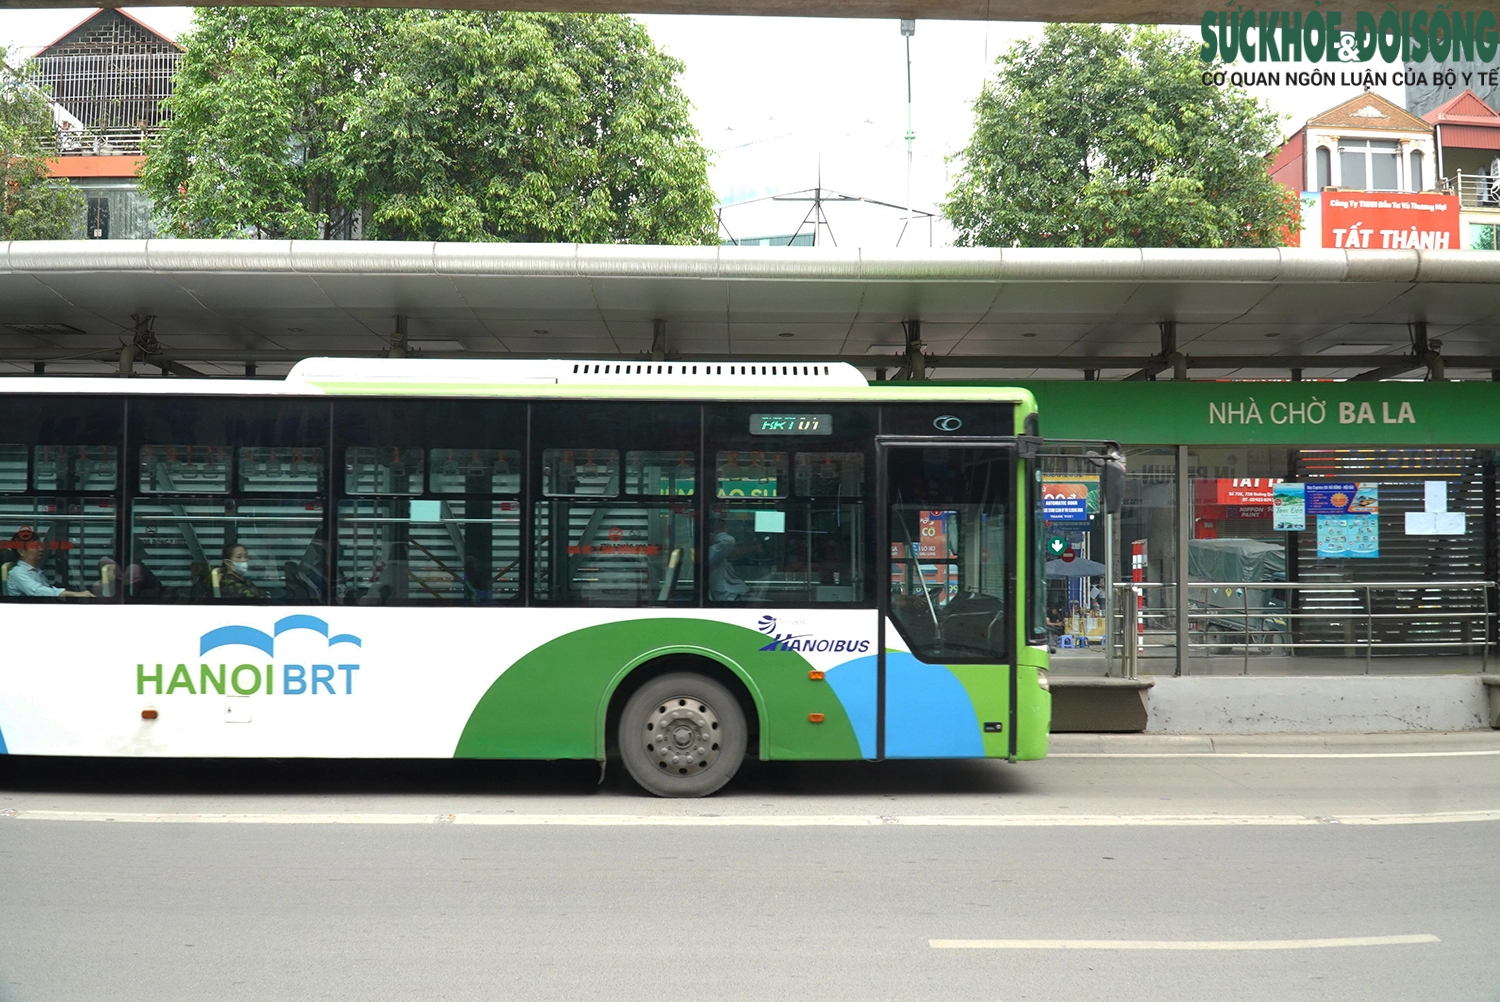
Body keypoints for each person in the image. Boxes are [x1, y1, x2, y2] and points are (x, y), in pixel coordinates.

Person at [5, 532, 94, 599]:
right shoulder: (18, 573)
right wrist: (74, 594)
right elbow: (37, 591)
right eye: (35, 546)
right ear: (22, 551)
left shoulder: (36, 571)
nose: (40, 549)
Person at [708, 532, 750, 602]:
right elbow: (728, 542)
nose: (743, 549)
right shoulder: (714, 557)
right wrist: (717, 534)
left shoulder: (728, 562)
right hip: (732, 599)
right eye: (739, 546)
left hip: (742, 595)